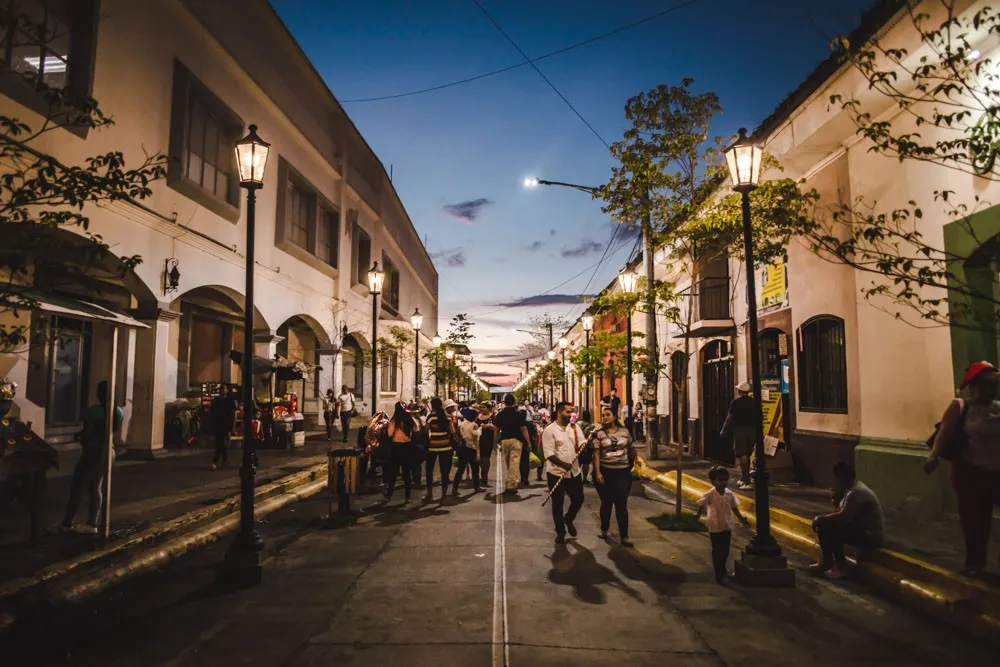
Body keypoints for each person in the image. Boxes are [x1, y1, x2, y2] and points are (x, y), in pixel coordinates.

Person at [926, 359, 1000, 576]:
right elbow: (944, 433)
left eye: (995, 385)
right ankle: (975, 563)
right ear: (975, 386)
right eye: (988, 384)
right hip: (970, 471)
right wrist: (933, 457)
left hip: (996, 472)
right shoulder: (961, 407)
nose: (993, 389)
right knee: (975, 519)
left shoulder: (997, 408)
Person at [55, 381, 123, 535]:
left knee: (78, 487)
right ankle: (92, 523)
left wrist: (81, 436)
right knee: (95, 487)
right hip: (109, 451)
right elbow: (115, 432)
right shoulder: (118, 411)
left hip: (92, 452)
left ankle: (67, 523)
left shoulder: (94, 411)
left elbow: (88, 432)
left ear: (100, 393)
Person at [809, 462, 885, 580]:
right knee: (828, 525)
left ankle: (840, 565)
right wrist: (836, 499)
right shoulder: (850, 489)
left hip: (870, 535)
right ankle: (829, 561)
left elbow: (844, 516)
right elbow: (839, 512)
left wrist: (820, 518)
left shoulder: (856, 492)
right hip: (862, 529)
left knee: (829, 527)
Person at [592, 407, 638, 546]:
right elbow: (596, 454)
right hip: (606, 471)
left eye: (608, 414)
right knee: (606, 502)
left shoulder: (624, 432)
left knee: (621, 504)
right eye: (603, 415)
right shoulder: (598, 433)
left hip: (622, 472)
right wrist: (598, 472)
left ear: (614, 416)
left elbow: (631, 448)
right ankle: (604, 529)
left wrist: (636, 462)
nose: (605, 417)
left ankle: (624, 536)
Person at [542, 402, 587, 544]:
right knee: (557, 504)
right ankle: (560, 532)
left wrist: (585, 446)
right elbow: (549, 454)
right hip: (556, 473)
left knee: (578, 499)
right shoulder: (549, 431)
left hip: (574, 472)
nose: (571, 415)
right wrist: (563, 465)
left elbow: (581, 443)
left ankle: (568, 518)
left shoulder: (575, 428)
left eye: (572, 412)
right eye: (568, 412)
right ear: (559, 412)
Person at [696, 466, 750, 583]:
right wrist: (697, 517)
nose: (724, 483)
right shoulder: (710, 494)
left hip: (727, 525)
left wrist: (741, 519)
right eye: (720, 480)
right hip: (715, 526)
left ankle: (723, 571)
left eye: (726, 480)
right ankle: (720, 574)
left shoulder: (729, 494)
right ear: (713, 481)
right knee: (717, 550)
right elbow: (701, 504)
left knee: (725, 550)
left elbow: (734, 508)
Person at [720, 382, 755, 489]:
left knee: (742, 455)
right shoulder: (754, 402)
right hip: (752, 430)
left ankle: (746, 480)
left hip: (740, 430)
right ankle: (744, 478)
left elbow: (729, 417)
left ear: (739, 391)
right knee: (747, 454)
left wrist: (723, 430)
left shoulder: (735, 402)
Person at [495, 394, 530, 496]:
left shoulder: (500, 414)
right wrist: (528, 442)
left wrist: (495, 443)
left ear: (504, 402)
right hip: (516, 441)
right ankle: (511, 486)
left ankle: (511, 482)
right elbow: (524, 429)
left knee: (509, 463)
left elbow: (497, 430)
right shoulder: (518, 414)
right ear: (514, 402)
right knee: (514, 463)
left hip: (504, 441)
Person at [383, 401, 418, 504]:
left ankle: (389, 494)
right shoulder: (409, 419)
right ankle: (408, 496)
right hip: (407, 447)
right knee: (406, 473)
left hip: (396, 447)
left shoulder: (394, 421)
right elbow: (416, 428)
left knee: (393, 473)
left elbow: (389, 434)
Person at [424, 398, 455, 501]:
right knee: (444, 472)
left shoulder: (430, 417)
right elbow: (453, 432)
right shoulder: (447, 417)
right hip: (446, 447)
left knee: (429, 471)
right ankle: (444, 495)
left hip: (433, 447)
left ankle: (430, 495)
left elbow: (426, 431)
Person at [209, 386, 238, 470]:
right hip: (217, 424)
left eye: (224, 388)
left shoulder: (230, 401)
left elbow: (234, 414)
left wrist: (233, 427)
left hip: (226, 424)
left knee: (220, 442)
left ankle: (215, 461)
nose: (222, 390)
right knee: (219, 443)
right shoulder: (215, 401)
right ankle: (225, 460)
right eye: (221, 389)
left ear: (227, 390)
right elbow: (212, 413)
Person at [455, 410, 483, 494]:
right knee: (475, 469)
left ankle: (455, 488)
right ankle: (476, 487)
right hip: (471, 448)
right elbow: (475, 440)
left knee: (460, 469)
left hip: (463, 448)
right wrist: (478, 453)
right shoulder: (474, 425)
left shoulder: (461, 424)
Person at [476, 404, 495, 485]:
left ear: (488, 408)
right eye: (481, 407)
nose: (482, 409)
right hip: (478, 440)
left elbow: (496, 427)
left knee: (486, 458)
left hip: (488, 440)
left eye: (484, 407)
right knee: (479, 458)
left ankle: (485, 476)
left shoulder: (492, 417)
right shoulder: (477, 416)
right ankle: (482, 474)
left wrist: (490, 426)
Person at [577, 409, 596, 483]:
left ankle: (577, 477)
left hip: (578, 445)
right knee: (586, 462)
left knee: (578, 462)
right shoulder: (591, 426)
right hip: (587, 446)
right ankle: (584, 478)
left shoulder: (577, 424)